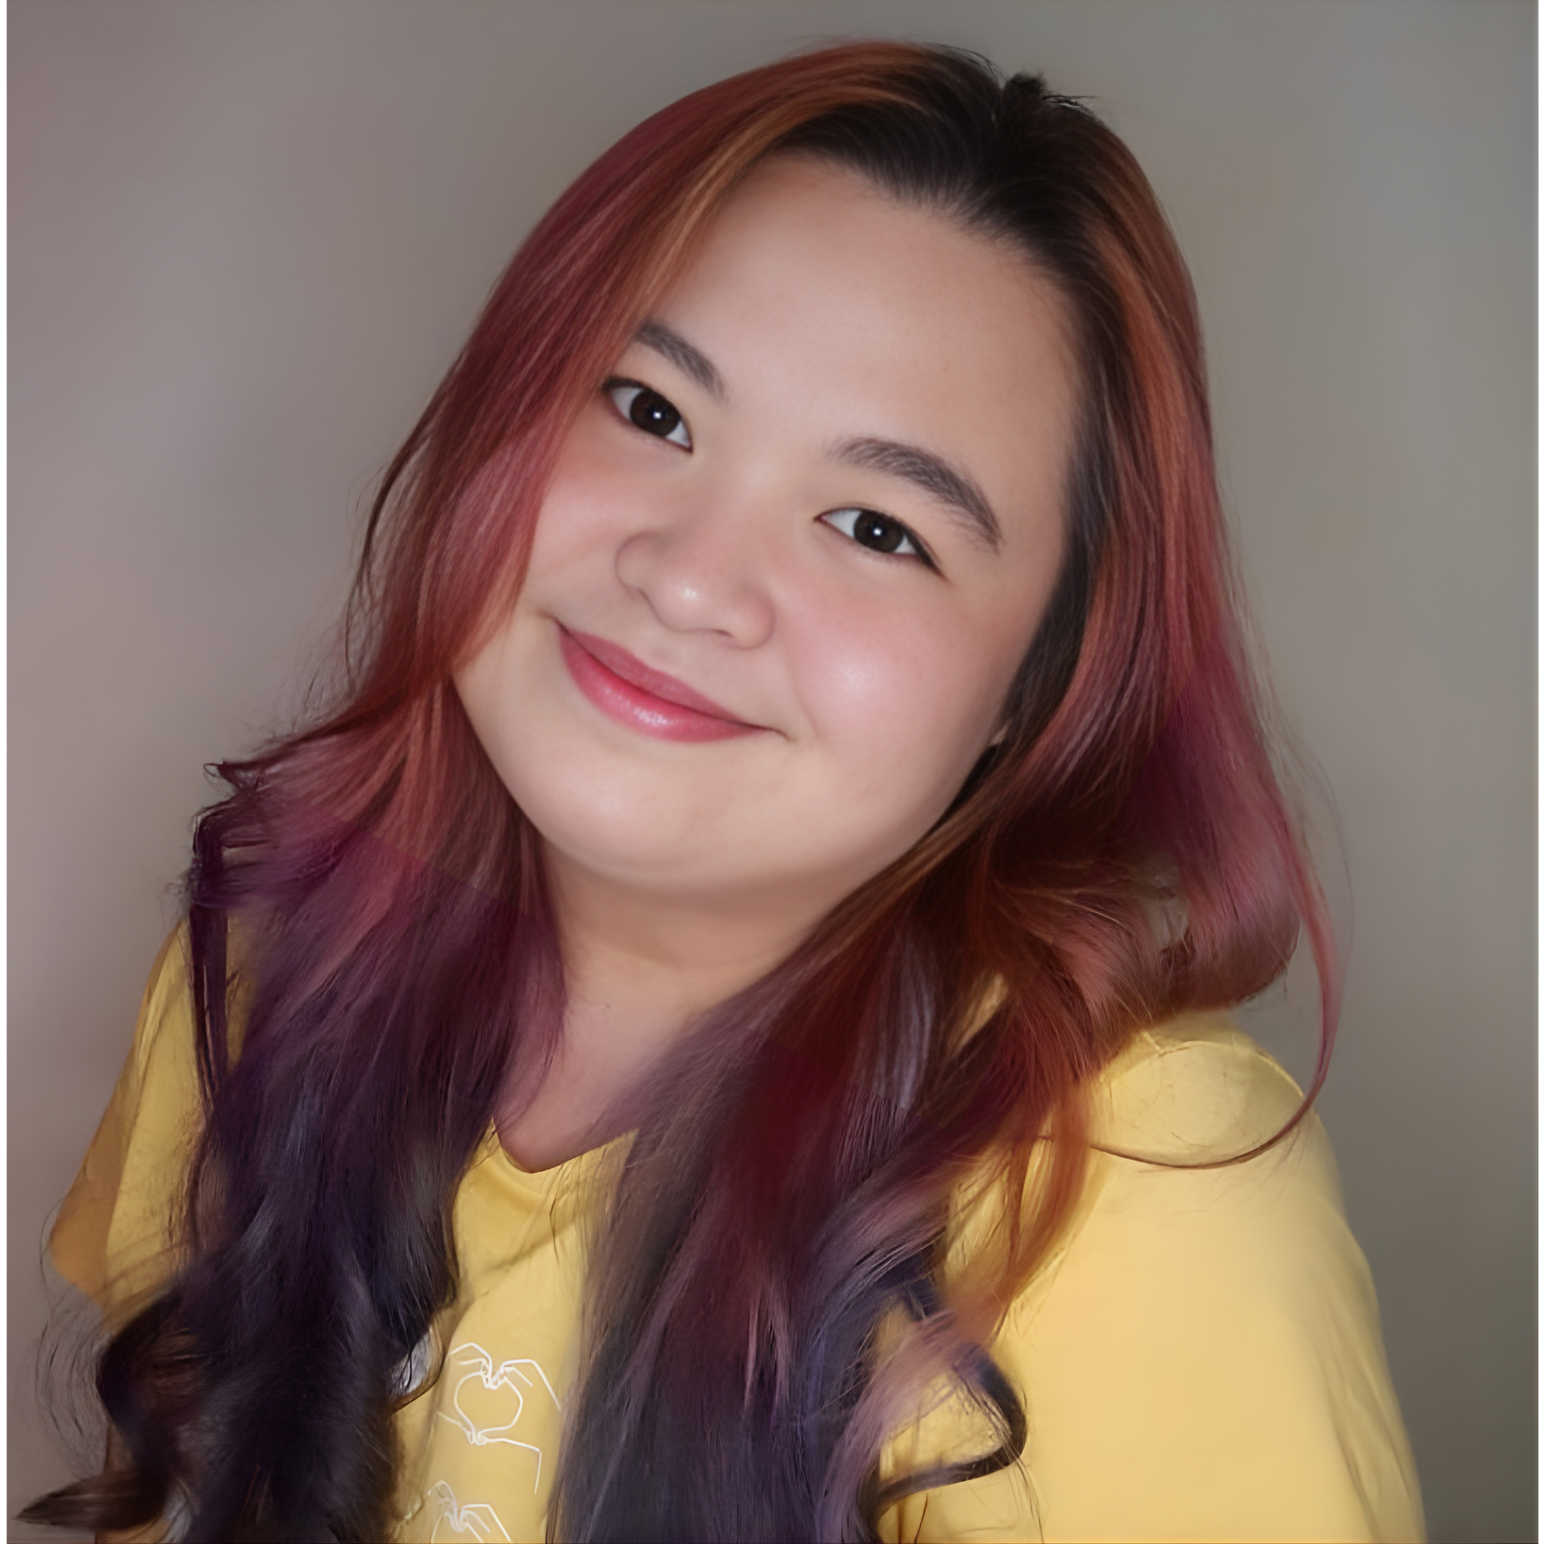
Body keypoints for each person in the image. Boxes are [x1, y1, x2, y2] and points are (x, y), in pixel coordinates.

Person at [25, 40, 1423, 1544]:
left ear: (1032, 691)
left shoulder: (1124, 1189)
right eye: (650, 411)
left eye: (878, 528)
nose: (688, 581)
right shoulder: (277, 957)